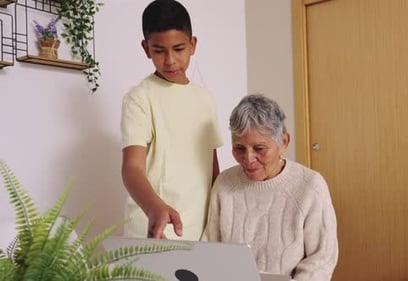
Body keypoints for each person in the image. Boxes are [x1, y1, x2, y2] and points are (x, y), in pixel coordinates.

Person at [203, 94, 338, 281]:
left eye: (259, 149)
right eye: (239, 148)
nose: (248, 159)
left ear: (284, 142)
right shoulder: (224, 184)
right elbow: (210, 251)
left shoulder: (310, 186)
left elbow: (321, 260)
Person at [120, 0, 223, 240]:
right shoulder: (139, 98)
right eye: (159, 50)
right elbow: (132, 168)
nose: (170, 60)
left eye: (178, 49)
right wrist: (153, 207)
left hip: (199, 230)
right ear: (146, 49)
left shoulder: (205, 98)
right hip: (153, 227)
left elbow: (212, 168)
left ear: (192, 45)